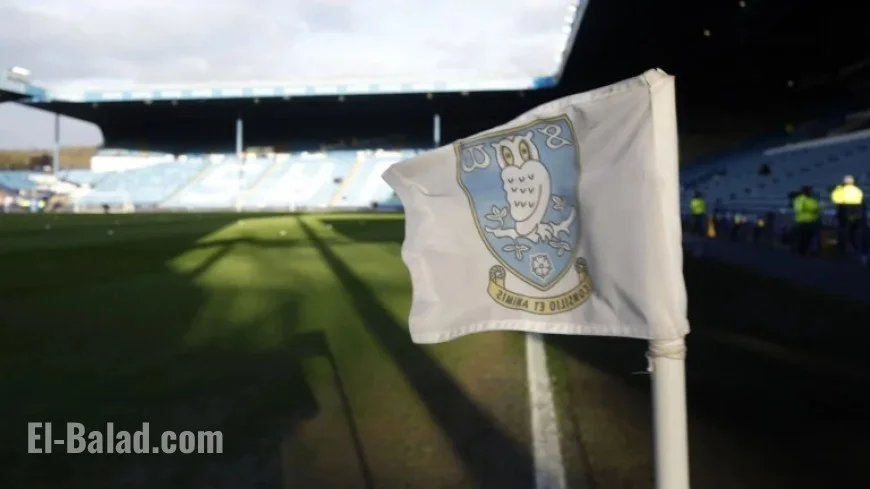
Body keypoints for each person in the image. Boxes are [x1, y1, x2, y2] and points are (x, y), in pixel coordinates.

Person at [830, 175, 864, 254]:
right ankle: (854, 247)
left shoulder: (840, 190)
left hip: (844, 212)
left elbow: (835, 199)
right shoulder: (857, 190)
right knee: (853, 232)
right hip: (855, 213)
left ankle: (843, 248)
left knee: (843, 230)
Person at [792, 185, 821, 256]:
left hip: (812, 221)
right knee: (803, 237)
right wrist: (812, 209)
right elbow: (799, 209)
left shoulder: (812, 200)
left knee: (809, 237)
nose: (811, 192)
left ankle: (807, 251)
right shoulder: (800, 199)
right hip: (803, 221)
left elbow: (817, 208)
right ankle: (801, 251)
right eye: (810, 190)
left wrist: (817, 209)